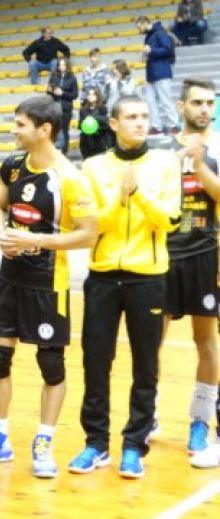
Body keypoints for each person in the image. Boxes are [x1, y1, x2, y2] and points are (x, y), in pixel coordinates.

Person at [0, 96, 98, 479]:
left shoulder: (70, 178)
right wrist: (2, 235)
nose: (13, 130)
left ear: (45, 130)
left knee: (51, 366)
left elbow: (88, 235)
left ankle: (44, 441)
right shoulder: (12, 166)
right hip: (9, 278)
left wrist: (36, 241)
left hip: (48, 283)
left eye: (20, 125)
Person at [69, 95, 181, 479]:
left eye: (144, 116)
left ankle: (134, 445)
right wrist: (119, 201)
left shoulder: (166, 163)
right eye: (131, 117)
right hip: (102, 277)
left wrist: (139, 194)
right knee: (95, 363)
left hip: (148, 277)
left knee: (145, 366)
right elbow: (88, 226)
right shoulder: (93, 167)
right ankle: (95, 444)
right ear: (114, 124)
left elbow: (170, 220)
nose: (140, 122)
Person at [154, 77, 220, 469]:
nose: (204, 109)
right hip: (162, 254)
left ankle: (200, 420)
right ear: (181, 107)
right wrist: (178, 161)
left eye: (209, 103)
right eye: (197, 102)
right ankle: (148, 413)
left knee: (206, 340)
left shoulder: (219, 148)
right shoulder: (163, 150)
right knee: (152, 341)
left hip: (207, 254)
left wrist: (197, 163)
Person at [136, 15, 180, 135]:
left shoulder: (160, 33)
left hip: (162, 72)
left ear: (145, 23)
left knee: (166, 100)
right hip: (151, 72)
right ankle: (156, 126)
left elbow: (168, 49)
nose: (139, 30)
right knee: (150, 101)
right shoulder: (148, 36)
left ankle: (174, 124)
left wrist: (151, 51)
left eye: (140, 27)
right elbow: (151, 52)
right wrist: (145, 55)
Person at [48, 57, 79, 155]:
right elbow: (48, 91)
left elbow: (75, 95)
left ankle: (64, 152)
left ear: (67, 66)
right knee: (55, 129)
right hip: (55, 107)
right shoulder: (54, 76)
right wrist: (51, 91)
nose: (61, 66)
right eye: (60, 65)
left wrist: (63, 93)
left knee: (65, 130)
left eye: (63, 65)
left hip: (66, 108)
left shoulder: (72, 78)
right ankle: (55, 151)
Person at [78, 86, 113, 159]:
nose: (90, 96)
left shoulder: (103, 109)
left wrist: (94, 118)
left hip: (99, 141)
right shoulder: (83, 110)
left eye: (93, 94)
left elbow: (105, 124)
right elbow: (80, 125)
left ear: (97, 96)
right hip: (86, 141)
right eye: (89, 94)